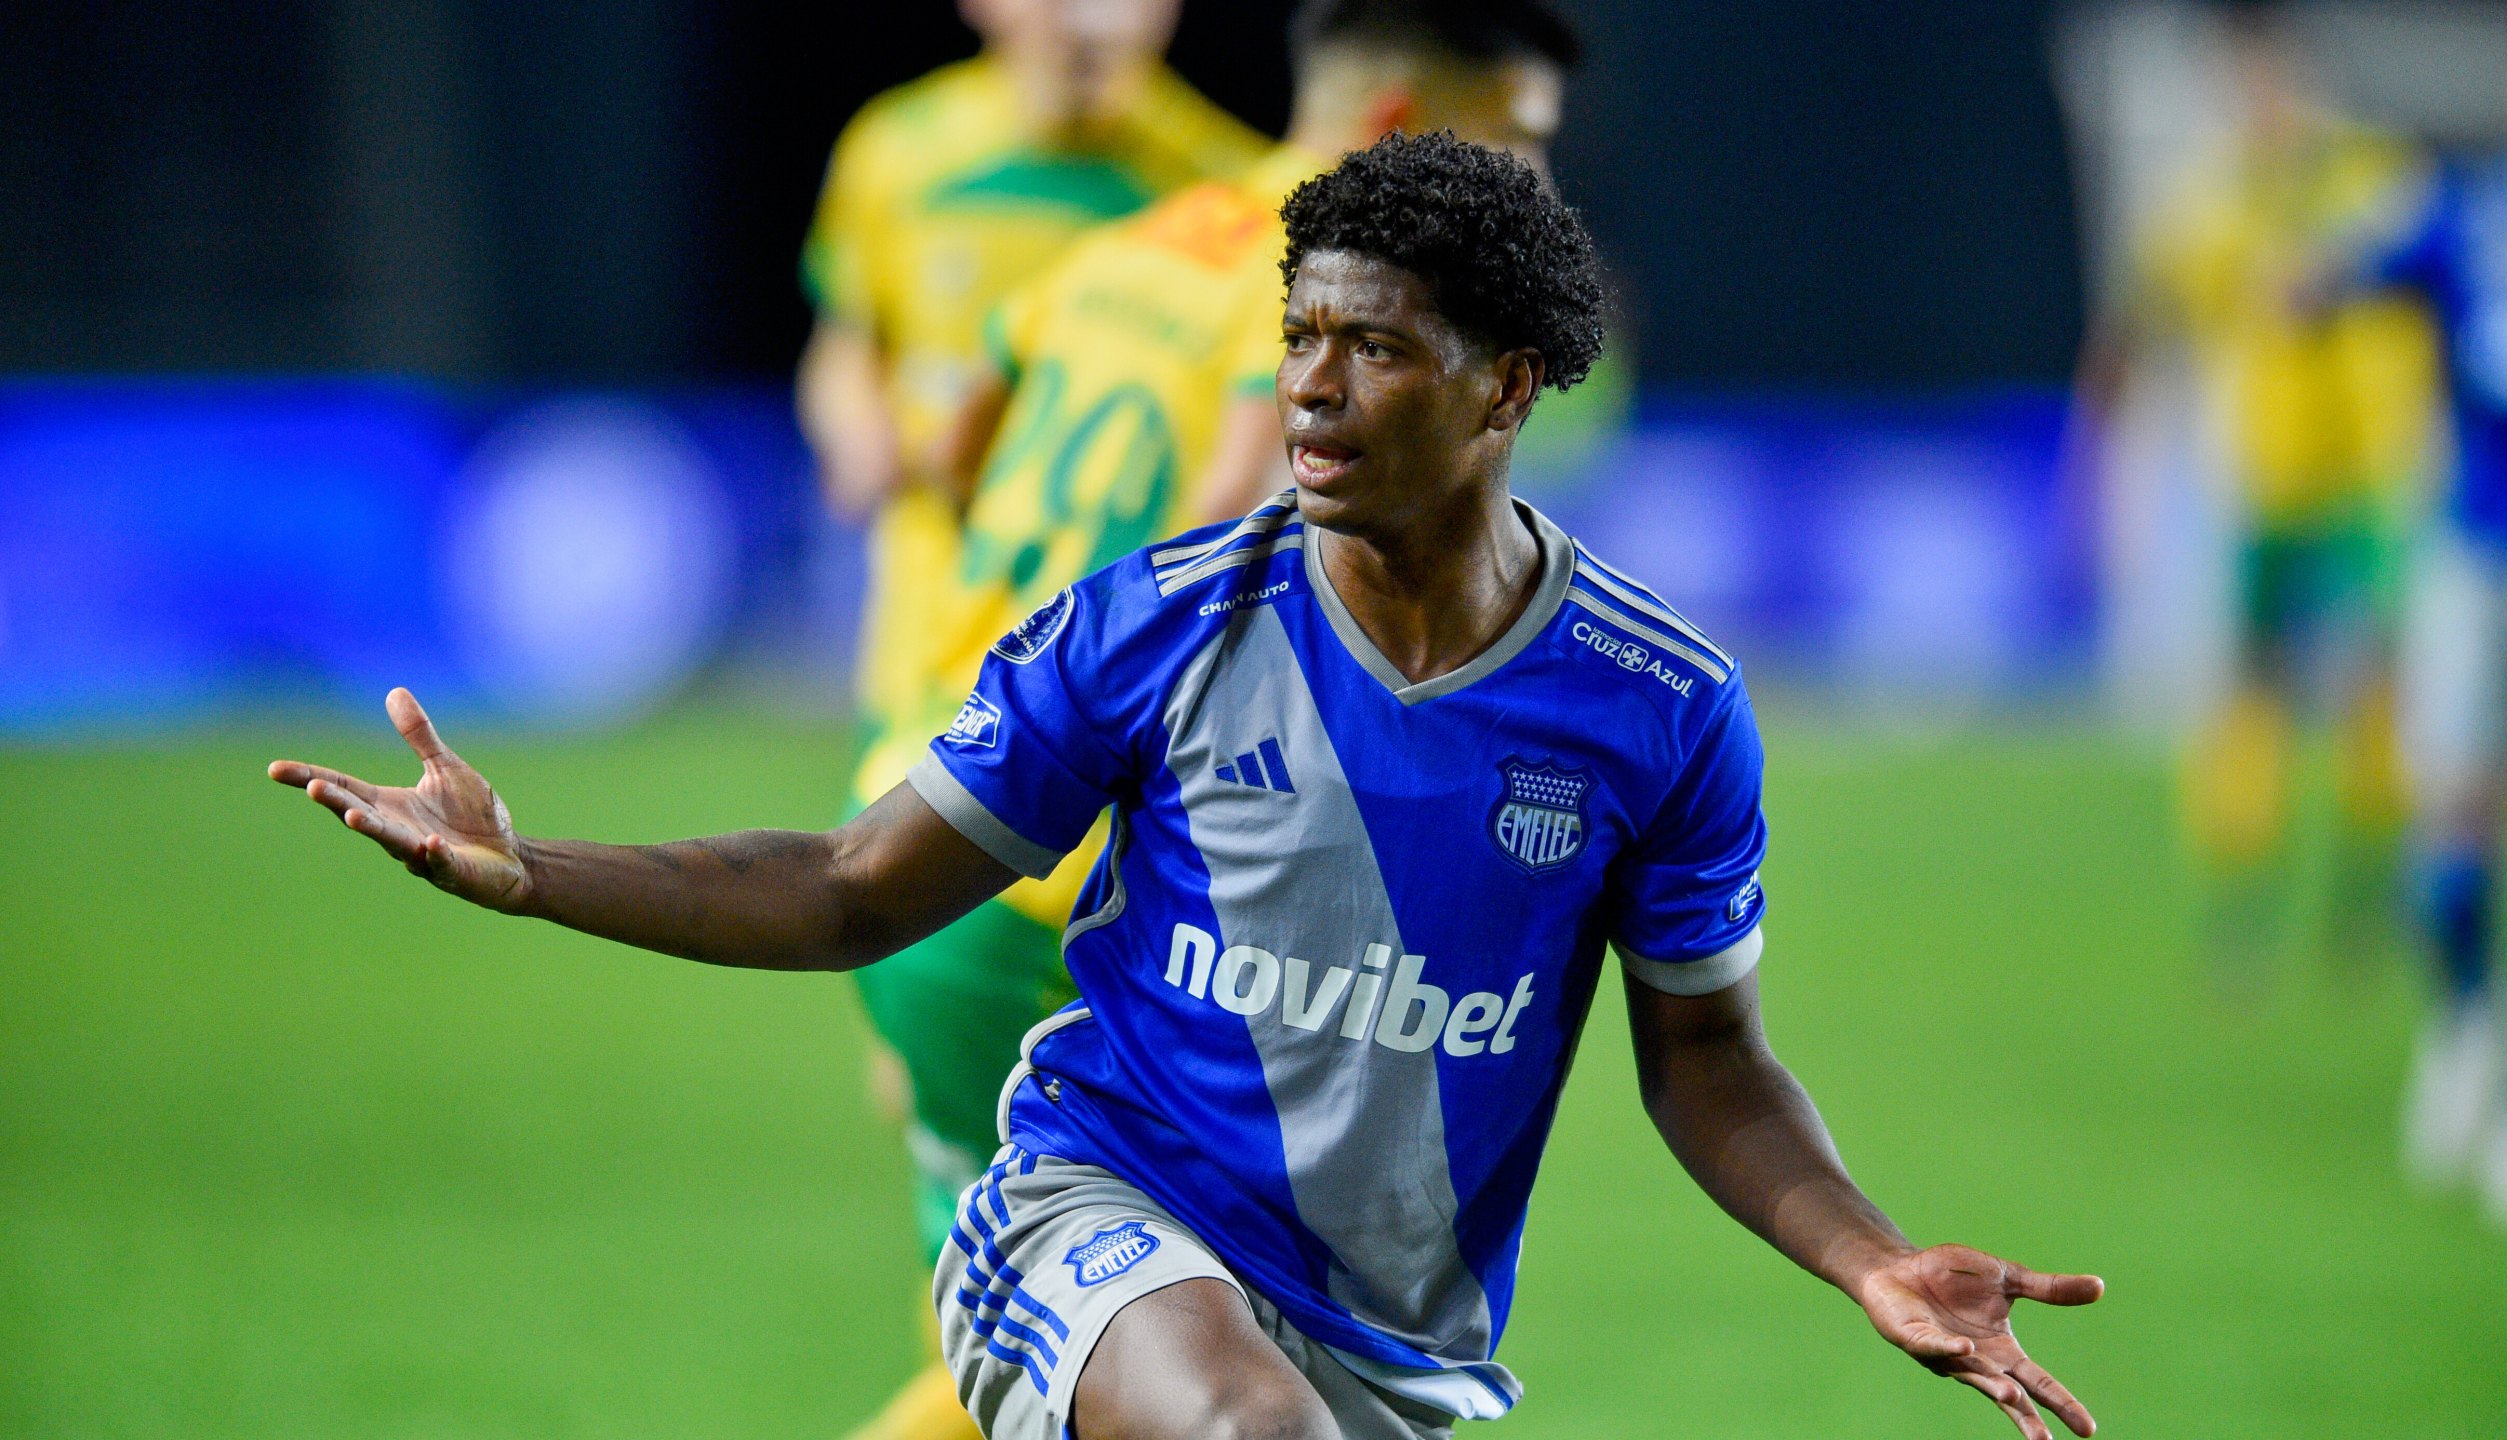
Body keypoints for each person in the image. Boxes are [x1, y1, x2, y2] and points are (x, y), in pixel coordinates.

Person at [270, 134, 2102, 1440]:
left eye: (1373, 347)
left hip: (1389, 1345)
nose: (1309, 388)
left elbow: (1707, 1062)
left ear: (1504, 388)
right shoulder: (1159, 624)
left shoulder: (1659, 707)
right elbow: (851, 885)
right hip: (1088, 1213)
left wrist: (1871, 1260)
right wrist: (537, 870)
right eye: (1297, 335)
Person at [837, 5, 1580, 1424]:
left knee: (1057, 1347)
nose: (1540, 182)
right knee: (1204, 1352)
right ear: (1401, 122)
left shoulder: (1138, 244)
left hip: (936, 817)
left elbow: (950, 437)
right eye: (1520, 138)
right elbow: (1231, 535)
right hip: (1075, 890)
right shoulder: (1332, 288)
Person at [794, 4, 1263, 1432]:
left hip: (1056, 733)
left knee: (1060, 1239)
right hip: (944, 698)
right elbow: (850, 340)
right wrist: (850, 426)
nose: (1090, 17)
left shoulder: (1216, 181)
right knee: (1145, 1262)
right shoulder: (902, 150)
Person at [2077, 0, 2436, 974]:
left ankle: (2372, 894)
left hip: (2370, 485)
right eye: (2242, 81)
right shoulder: (2204, 202)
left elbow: (2441, 302)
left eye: (2272, 75)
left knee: (2382, 689)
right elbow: (2138, 323)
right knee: (2249, 696)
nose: (2260, 96)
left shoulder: (2375, 182)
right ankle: (2242, 909)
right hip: (2261, 487)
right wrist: (2100, 447)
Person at [2349, 7, 2507, 1231]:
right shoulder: (2466, 212)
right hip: (2475, 564)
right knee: (2459, 830)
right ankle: (2464, 1013)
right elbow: (2345, 275)